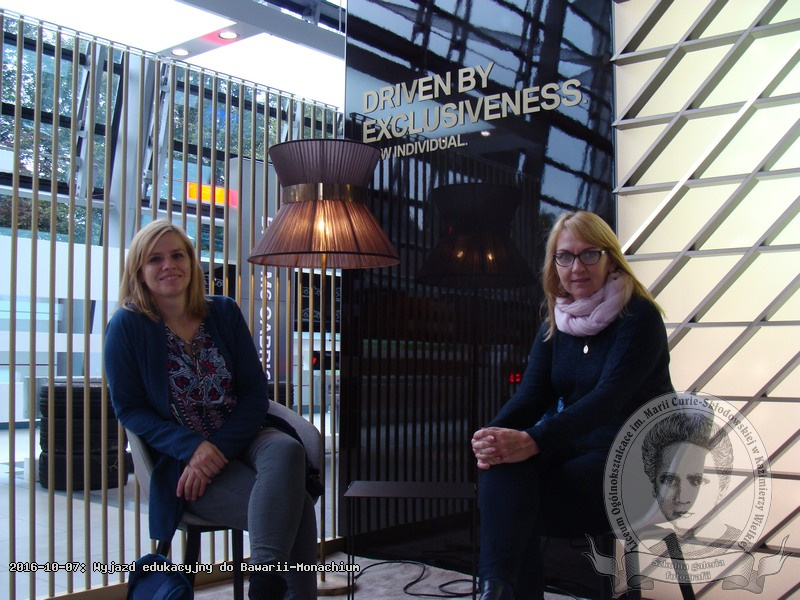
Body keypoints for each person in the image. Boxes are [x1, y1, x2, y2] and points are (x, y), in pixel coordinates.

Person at [104, 219, 317, 600]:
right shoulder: (127, 326)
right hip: (183, 461)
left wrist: (215, 449)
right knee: (296, 507)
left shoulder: (223, 312)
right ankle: (268, 587)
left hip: (243, 434)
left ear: (191, 261)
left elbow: (254, 393)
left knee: (287, 448)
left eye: (177, 255)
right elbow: (130, 409)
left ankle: (265, 582)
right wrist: (192, 448)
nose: (169, 265)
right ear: (139, 269)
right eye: (155, 259)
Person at [471, 210, 673, 600]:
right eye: (565, 256)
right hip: (577, 447)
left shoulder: (638, 317)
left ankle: (501, 592)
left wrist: (532, 440)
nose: (576, 267)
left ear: (611, 259)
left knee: (517, 502)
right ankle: (494, 590)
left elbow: (607, 399)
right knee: (504, 469)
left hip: (635, 460)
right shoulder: (558, 320)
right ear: (554, 264)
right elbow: (531, 396)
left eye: (589, 254)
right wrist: (491, 438)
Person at [640, 411, 740, 559]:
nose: (682, 498)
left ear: (723, 487)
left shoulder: (743, 549)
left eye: (697, 481)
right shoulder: (648, 554)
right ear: (654, 487)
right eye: (669, 481)